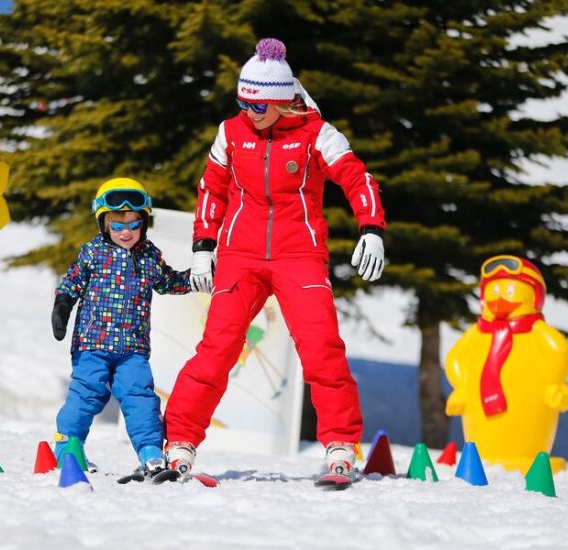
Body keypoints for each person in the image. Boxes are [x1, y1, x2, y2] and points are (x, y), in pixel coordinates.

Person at [163, 38, 387, 479]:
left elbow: (356, 177)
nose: (249, 112)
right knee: (217, 349)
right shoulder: (231, 132)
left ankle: (340, 444)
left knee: (322, 349)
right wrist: (204, 247)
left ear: (282, 100)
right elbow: (211, 188)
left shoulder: (317, 134)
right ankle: (181, 443)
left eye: (258, 105)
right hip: (239, 253)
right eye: (242, 102)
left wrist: (372, 229)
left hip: (298, 253)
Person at [51, 177, 191, 476]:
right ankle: (67, 448)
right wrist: (63, 304)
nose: (126, 232)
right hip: (93, 344)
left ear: (144, 223)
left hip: (133, 349)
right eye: (117, 225)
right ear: (104, 224)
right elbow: (72, 282)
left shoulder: (149, 255)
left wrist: (195, 278)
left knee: (140, 395)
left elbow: (168, 282)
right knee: (86, 395)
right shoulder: (93, 252)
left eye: (133, 224)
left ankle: (151, 453)